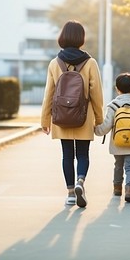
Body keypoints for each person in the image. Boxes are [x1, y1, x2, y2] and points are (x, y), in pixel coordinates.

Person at [41, 20, 103, 207]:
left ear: (62, 37)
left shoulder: (54, 63)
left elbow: (49, 94)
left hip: (61, 117)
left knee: (67, 155)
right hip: (84, 116)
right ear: (81, 38)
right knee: (82, 154)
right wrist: (99, 118)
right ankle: (80, 182)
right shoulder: (90, 62)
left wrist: (45, 119)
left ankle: (69, 193)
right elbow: (96, 94)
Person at [95, 72, 130, 203]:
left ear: (116, 88)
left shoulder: (113, 106)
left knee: (118, 165)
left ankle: (117, 189)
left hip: (117, 144)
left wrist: (97, 131)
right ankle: (129, 190)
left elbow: (107, 125)